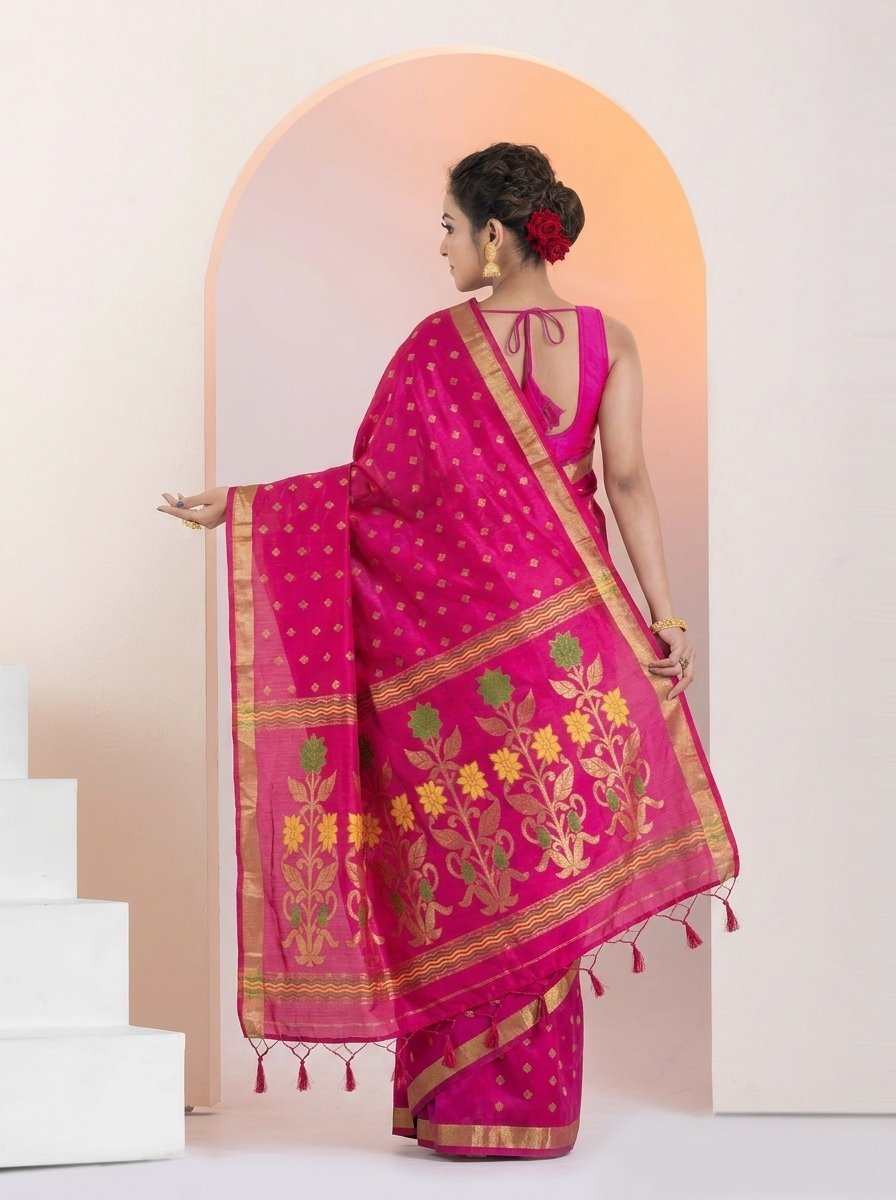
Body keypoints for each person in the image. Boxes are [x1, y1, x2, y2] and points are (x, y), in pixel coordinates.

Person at [158, 142, 740, 1159]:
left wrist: (247, 509)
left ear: (495, 234)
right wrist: (665, 619)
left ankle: (462, 1105)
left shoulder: (439, 346)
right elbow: (628, 483)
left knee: (469, 855)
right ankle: (526, 1115)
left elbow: (374, 495)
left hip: (467, 646)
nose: (439, 248)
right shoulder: (608, 339)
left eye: (446, 227)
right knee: (541, 856)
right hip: (571, 639)